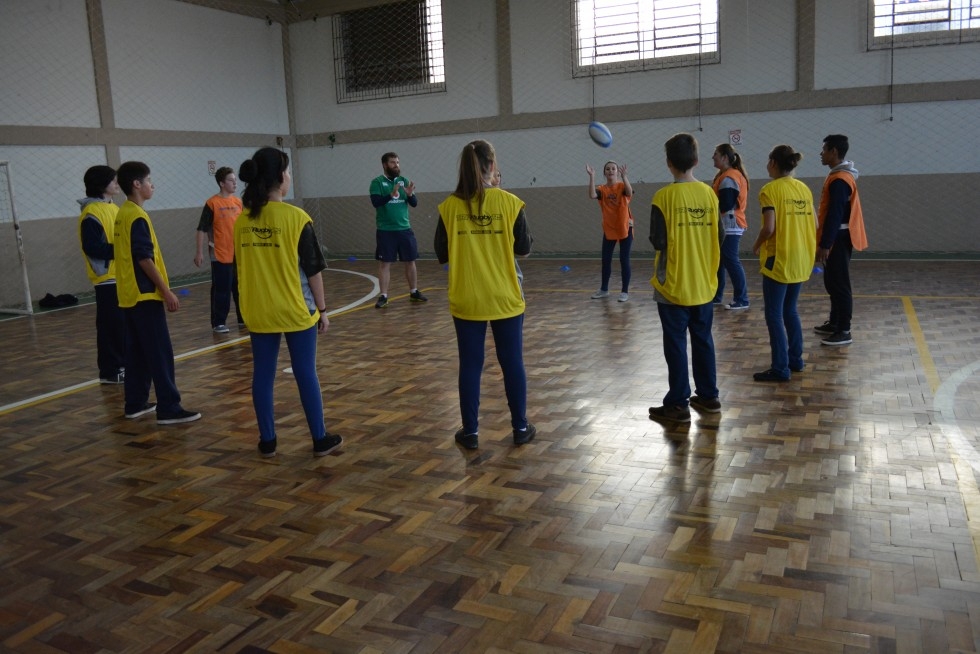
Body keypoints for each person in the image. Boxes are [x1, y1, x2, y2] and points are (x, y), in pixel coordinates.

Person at [235, 147, 342, 459]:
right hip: (296, 309)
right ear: (279, 177)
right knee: (305, 372)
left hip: (257, 311)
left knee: (262, 375)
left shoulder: (242, 222)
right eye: (288, 170)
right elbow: (313, 271)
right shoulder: (297, 218)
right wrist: (322, 310)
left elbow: (240, 268)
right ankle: (319, 438)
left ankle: (267, 441)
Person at [434, 140, 534, 450]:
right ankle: (519, 427)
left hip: (467, 299)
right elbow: (524, 249)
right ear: (491, 167)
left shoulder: (448, 207)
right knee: (512, 362)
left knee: (470, 365)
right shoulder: (510, 203)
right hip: (504, 297)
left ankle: (471, 432)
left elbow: (442, 253)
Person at [114, 161, 201, 424]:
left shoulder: (123, 213)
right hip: (144, 295)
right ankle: (169, 407)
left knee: (137, 353)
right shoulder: (137, 216)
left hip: (129, 294)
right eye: (149, 180)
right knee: (160, 353)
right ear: (137, 184)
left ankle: (135, 403)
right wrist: (166, 291)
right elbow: (143, 258)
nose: (153, 185)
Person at [648, 133, 722, 424]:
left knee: (676, 343)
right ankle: (708, 396)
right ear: (696, 160)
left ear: (669, 163)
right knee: (703, 339)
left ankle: (678, 404)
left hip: (674, 285)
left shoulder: (663, 197)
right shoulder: (709, 194)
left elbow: (658, 241)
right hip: (704, 282)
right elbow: (719, 235)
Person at [750, 145, 816, 382]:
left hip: (779, 258)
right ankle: (796, 359)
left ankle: (780, 367)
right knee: (791, 310)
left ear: (775, 163)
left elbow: (769, 228)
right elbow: (815, 224)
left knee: (774, 314)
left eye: (769, 161)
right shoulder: (804, 189)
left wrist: (756, 245)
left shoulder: (770, 190)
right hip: (801, 258)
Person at [815, 134, 868, 346]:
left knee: (840, 284)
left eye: (824, 149)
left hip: (838, 236)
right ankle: (835, 322)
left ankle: (844, 330)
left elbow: (835, 215)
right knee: (832, 282)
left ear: (834, 152)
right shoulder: (838, 176)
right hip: (837, 235)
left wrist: (826, 244)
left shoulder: (840, 180)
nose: (821, 153)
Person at [77, 165, 126, 384]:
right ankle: (110, 370)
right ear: (101, 184)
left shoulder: (114, 208)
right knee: (110, 326)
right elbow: (92, 247)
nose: (117, 184)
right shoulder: (91, 213)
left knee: (121, 324)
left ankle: (122, 365)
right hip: (106, 278)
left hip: (121, 275)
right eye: (113, 180)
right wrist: (124, 250)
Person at [369, 152, 427, 308]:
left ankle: (414, 292)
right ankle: (384, 296)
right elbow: (376, 202)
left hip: (404, 229)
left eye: (398, 162)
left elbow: (414, 203)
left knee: (410, 261)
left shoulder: (404, 181)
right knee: (385, 263)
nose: (396, 165)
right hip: (385, 230)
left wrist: (409, 195)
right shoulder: (377, 182)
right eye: (393, 162)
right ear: (385, 165)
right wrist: (391, 195)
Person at [194, 166, 244, 334]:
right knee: (222, 288)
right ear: (222, 183)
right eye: (231, 180)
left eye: (235, 180)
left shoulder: (238, 202)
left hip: (238, 253)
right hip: (220, 253)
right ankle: (218, 322)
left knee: (240, 287)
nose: (235, 183)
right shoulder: (212, 203)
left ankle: (242, 318)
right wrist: (199, 252)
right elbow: (201, 228)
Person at [710, 144, 750, 310]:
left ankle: (742, 299)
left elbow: (726, 203)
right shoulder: (726, 175)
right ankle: (717, 296)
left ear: (725, 157)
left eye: (716, 154)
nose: (713, 157)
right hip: (727, 224)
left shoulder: (729, 177)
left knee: (731, 261)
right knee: (720, 262)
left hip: (730, 225)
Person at [586, 161, 633, 302]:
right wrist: (592, 176)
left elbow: (629, 192)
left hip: (625, 226)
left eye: (613, 168)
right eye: (608, 169)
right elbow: (592, 195)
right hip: (609, 228)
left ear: (617, 172)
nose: (611, 170)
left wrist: (625, 177)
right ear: (604, 173)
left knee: (624, 259)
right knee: (606, 260)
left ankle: (624, 291)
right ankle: (604, 289)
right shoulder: (602, 189)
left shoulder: (622, 186)